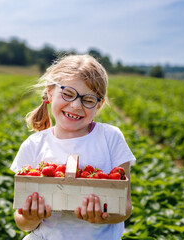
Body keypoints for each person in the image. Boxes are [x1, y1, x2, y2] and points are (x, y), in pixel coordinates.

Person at [10, 54, 135, 240]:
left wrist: (102, 217)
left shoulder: (110, 138)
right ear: (50, 92)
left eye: (89, 100)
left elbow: (124, 207)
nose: (76, 105)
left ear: (99, 105)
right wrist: (30, 217)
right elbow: (21, 220)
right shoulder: (34, 145)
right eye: (68, 94)